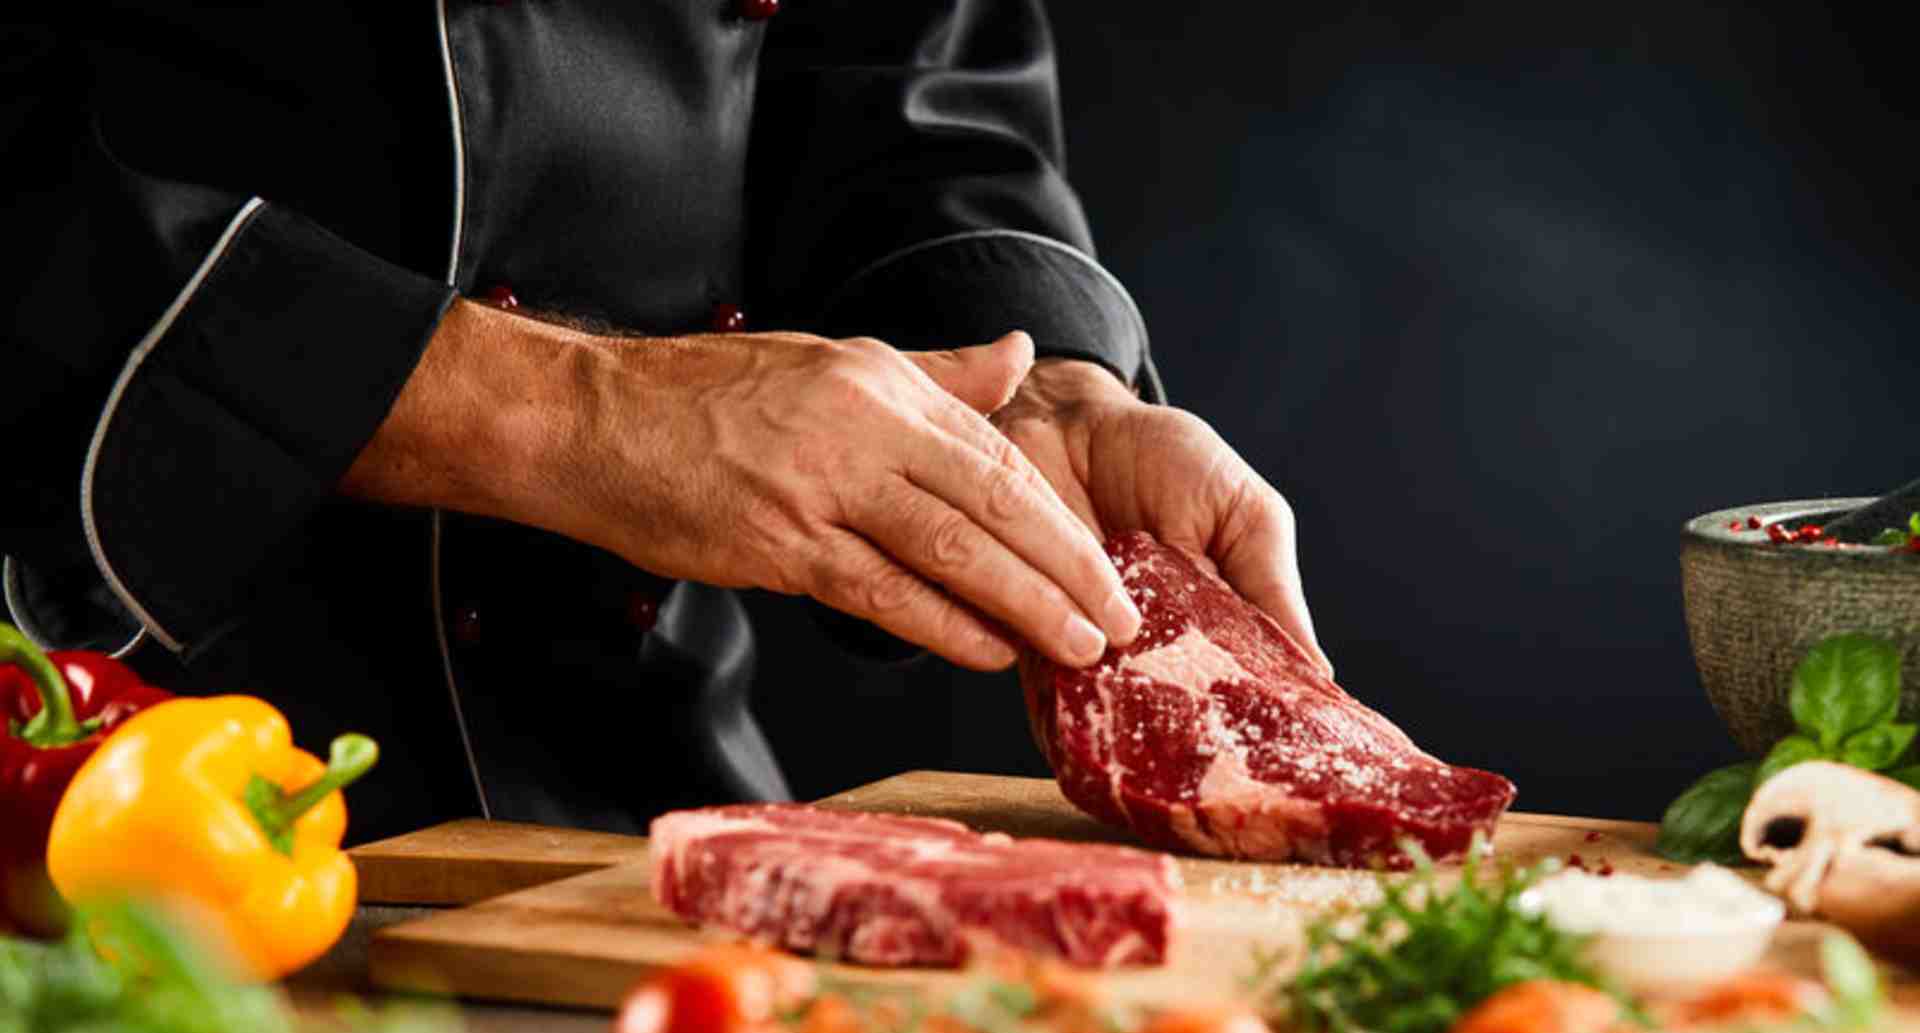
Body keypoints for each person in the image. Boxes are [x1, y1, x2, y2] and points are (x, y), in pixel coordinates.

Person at [0, 2, 1325, 841]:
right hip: (95, 775)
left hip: (641, 793)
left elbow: (894, 76)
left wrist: (1039, 383)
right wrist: (575, 413)